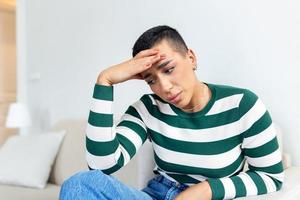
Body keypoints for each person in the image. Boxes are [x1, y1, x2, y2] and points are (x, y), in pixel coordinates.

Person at [59, 25, 284, 200]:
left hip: (207, 198)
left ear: (191, 58)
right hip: (156, 193)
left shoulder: (242, 104)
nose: (164, 87)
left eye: (169, 69)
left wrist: (206, 190)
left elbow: (271, 177)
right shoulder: (148, 108)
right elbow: (101, 165)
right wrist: (105, 81)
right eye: (151, 80)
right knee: (80, 184)